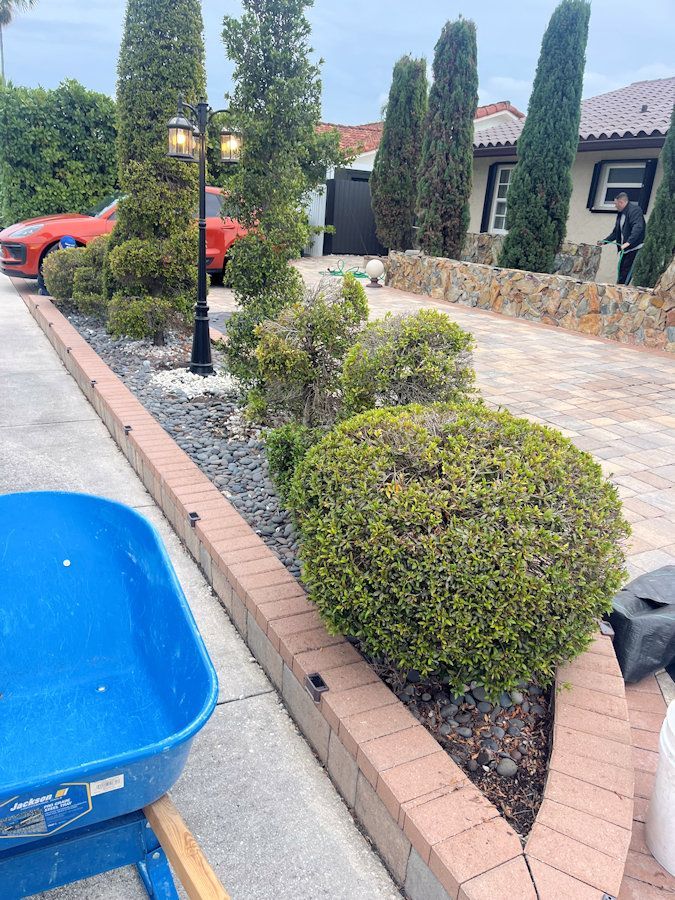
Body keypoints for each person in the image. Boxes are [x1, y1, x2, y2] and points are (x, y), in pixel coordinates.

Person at [598, 192, 646, 285]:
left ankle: (621, 291)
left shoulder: (634, 211)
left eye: (615, 204)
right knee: (621, 273)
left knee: (626, 275)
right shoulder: (621, 214)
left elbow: (638, 227)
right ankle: (619, 290)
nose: (615, 206)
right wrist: (604, 241)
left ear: (621, 202)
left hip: (635, 249)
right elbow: (616, 232)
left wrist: (628, 243)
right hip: (626, 249)